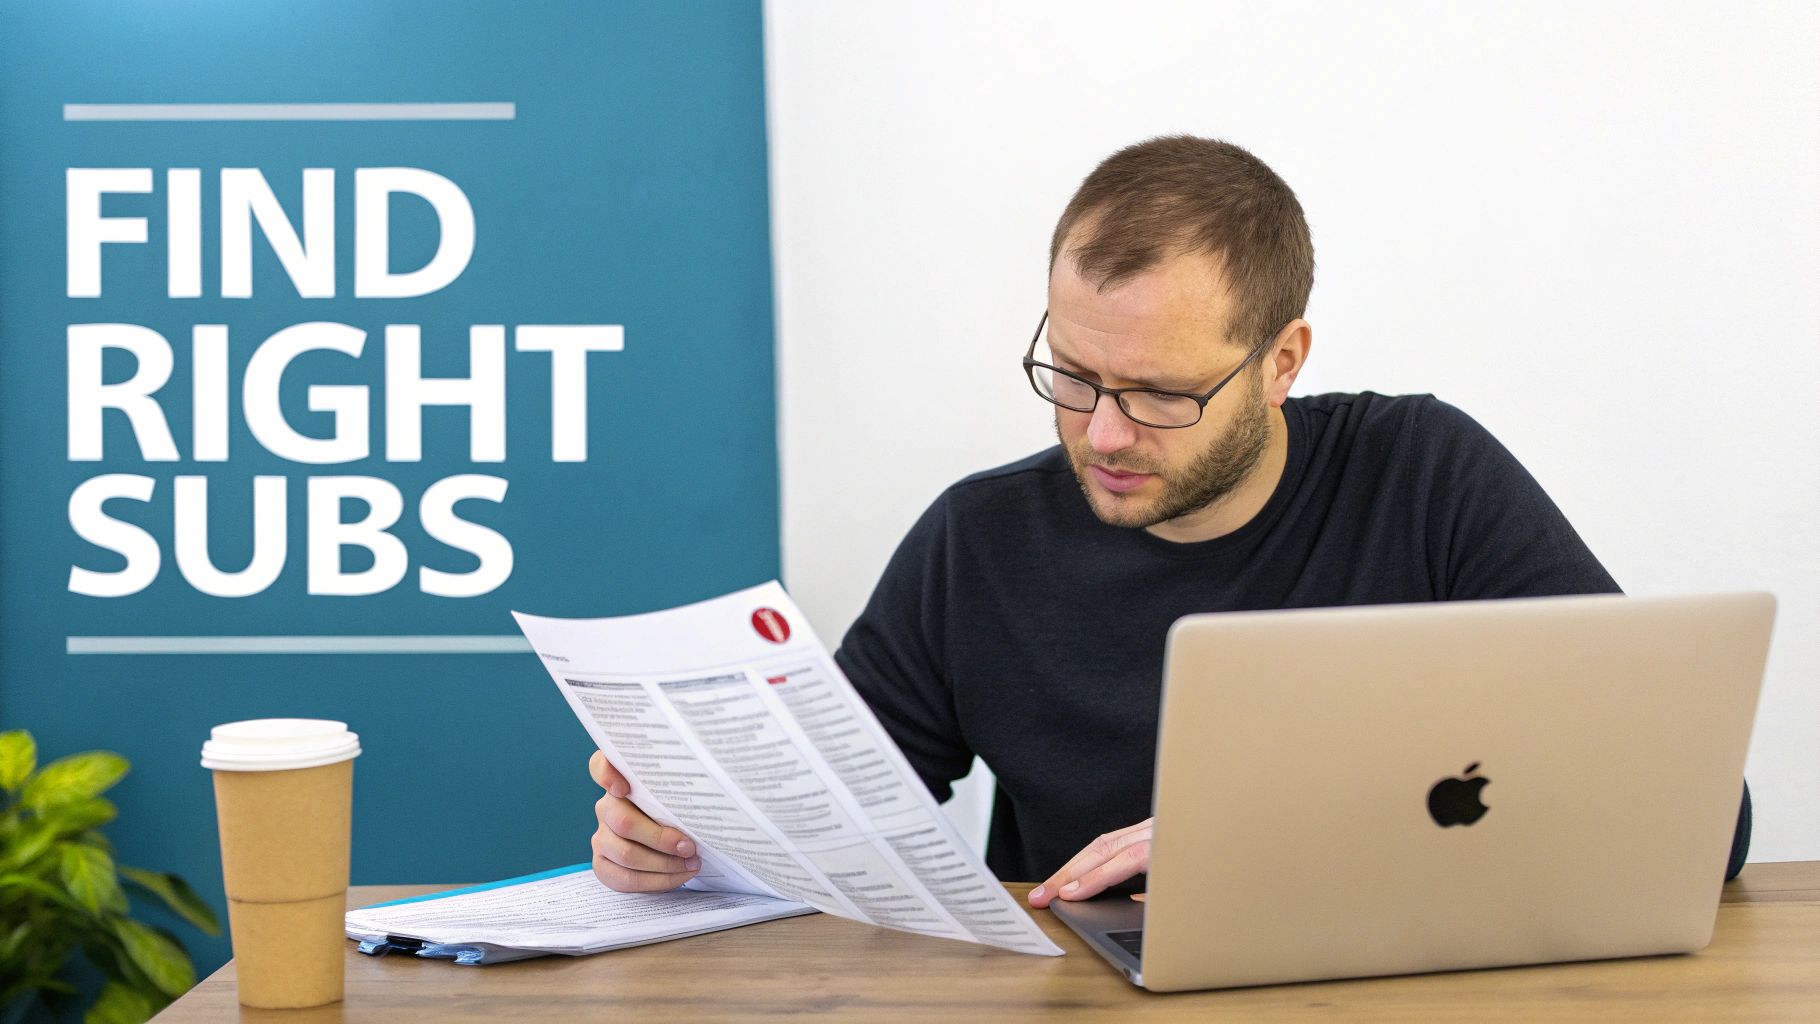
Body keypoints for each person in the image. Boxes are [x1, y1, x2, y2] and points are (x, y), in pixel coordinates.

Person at [586, 134, 1751, 909]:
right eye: (1074, 375)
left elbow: (1701, 817)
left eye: (1158, 394)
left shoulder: (1425, 476)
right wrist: (690, 848)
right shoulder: (976, 542)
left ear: (1281, 361)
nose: (1100, 433)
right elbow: (832, 831)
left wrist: (1268, 850)